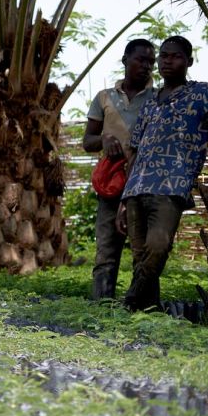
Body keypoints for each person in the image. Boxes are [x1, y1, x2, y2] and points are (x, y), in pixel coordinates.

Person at [118, 36, 208, 311]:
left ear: (188, 61)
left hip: (171, 186)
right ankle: (148, 311)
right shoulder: (150, 103)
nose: (167, 61)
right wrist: (123, 197)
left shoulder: (202, 92)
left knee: (158, 246)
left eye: (175, 56)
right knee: (140, 254)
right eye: (164, 56)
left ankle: (131, 298)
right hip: (136, 188)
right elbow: (134, 150)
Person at [82, 38, 155, 300]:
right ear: (125, 60)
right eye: (140, 60)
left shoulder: (158, 99)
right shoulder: (104, 98)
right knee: (106, 252)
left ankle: (143, 308)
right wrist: (103, 139)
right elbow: (87, 141)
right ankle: (101, 309)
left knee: (145, 252)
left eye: (150, 62)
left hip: (146, 185)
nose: (146, 66)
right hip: (112, 186)